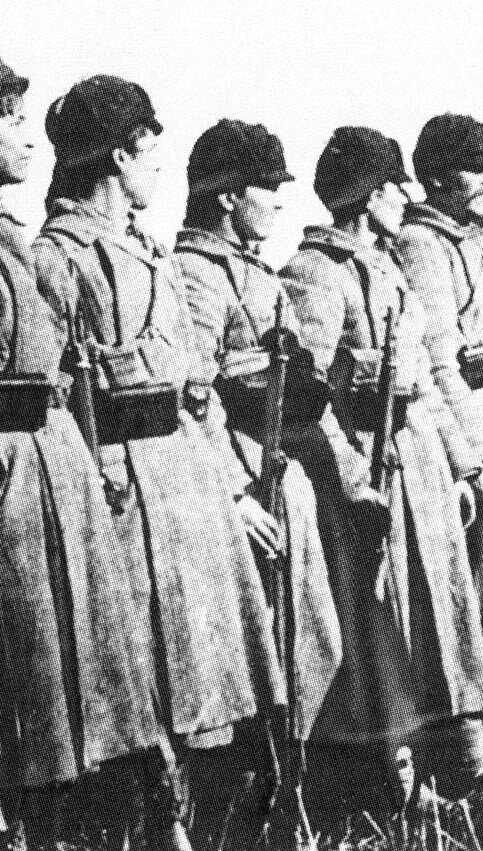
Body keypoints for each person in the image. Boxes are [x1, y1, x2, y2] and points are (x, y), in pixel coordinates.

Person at [0, 48, 164, 851]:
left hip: (55, 472)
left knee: (79, 693)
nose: (30, 140)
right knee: (23, 698)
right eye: (13, 121)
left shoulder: (4, 234)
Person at [33, 75, 285, 850]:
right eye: (151, 148)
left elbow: (193, 393)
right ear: (120, 153)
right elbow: (51, 404)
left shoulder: (147, 251)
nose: (160, 168)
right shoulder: (56, 259)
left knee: (207, 693)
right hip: (116, 495)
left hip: (188, 487)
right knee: (140, 700)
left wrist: (233, 491)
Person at [281, 125, 483, 802]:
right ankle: (392, 772)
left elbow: (425, 377)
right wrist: (349, 477)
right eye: (395, 184)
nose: (407, 195)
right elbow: (303, 400)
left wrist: (463, 465)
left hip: (418, 459)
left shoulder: (387, 265)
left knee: (440, 611)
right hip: (364, 474)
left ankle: (461, 760)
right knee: (378, 621)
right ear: (371, 195)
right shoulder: (314, 273)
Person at [170, 118, 342, 842]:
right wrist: (231, 496)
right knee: (239, 673)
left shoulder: (256, 274)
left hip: (281, 480)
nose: (280, 203)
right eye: (270, 189)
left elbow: (298, 376)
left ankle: (288, 804)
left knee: (304, 650)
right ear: (229, 197)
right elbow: (190, 398)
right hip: (233, 498)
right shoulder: (191, 276)